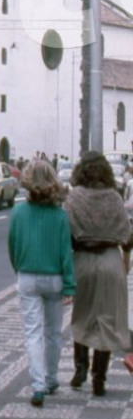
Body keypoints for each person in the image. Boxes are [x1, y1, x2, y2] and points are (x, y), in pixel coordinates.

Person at [8, 159, 76, 407]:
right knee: (53, 332)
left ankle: (37, 386)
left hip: (27, 275)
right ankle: (51, 378)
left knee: (33, 332)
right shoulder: (59, 216)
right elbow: (65, 253)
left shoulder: (18, 213)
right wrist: (69, 285)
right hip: (55, 278)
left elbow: (12, 245)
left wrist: (19, 267)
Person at [65, 151, 132, 396]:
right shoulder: (114, 198)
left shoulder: (74, 198)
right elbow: (127, 233)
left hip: (82, 259)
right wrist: (126, 258)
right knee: (106, 319)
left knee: (82, 315)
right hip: (110, 260)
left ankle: (80, 367)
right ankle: (99, 378)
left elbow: (67, 233)